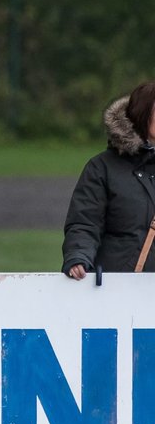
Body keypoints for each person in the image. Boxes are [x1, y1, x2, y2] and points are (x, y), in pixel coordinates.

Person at [63, 81, 155, 279]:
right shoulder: (102, 168)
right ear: (142, 114)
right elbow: (85, 223)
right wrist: (78, 257)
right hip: (116, 289)